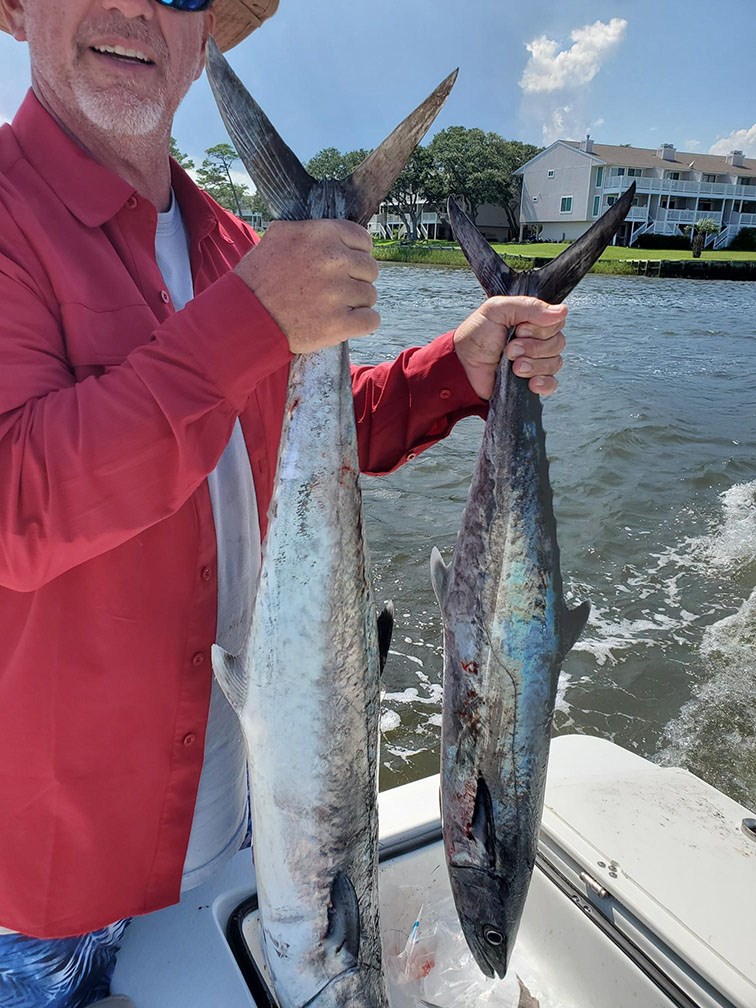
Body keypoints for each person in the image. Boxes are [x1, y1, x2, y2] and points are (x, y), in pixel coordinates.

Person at [0, 0, 567, 1004]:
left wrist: (459, 368)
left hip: (258, 823)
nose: (137, 6)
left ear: (201, 30)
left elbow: (293, 437)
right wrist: (251, 319)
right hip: (53, 886)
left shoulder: (231, 241)